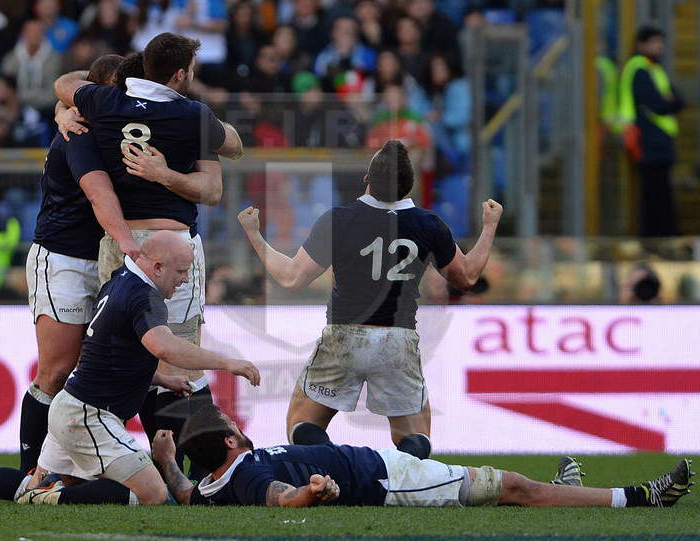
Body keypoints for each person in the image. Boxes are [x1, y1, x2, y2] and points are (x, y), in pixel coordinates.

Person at [0, 55, 138, 503]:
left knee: (96, 368)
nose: (123, 100)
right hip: (62, 259)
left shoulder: (99, 124)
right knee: (57, 369)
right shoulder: (78, 132)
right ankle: (27, 469)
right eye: (116, 91)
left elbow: (69, 83)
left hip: (97, 259)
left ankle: (65, 466)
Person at [52, 32, 244, 475]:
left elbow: (64, 82)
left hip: (119, 246)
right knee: (182, 355)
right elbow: (216, 181)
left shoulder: (102, 102)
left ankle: (94, 466)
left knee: (123, 353)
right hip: (170, 245)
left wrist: (68, 107)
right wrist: (165, 174)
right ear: (180, 74)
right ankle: (203, 469)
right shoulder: (192, 114)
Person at [238, 140, 501, 456]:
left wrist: (254, 235)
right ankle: (399, 484)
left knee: (303, 424)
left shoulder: (340, 219)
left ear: (367, 179)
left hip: (344, 335)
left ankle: (340, 473)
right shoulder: (428, 223)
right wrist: (489, 226)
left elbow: (292, 277)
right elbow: (467, 276)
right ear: (409, 186)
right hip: (397, 338)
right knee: (414, 435)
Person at [17, 231, 260, 506]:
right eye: (181, 271)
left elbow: (112, 356)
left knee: (50, 483)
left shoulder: (119, 279)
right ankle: (46, 496)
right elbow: (165, 347)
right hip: (89, 416)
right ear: (157, 267)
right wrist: (229, 363)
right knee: (154, 495)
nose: (186, 279)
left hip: (72, 408)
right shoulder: (142, 295)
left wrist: (161, 380)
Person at [153, 404, 694, 509]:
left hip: (385, 470)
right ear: (229, 443)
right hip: (389, 481)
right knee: (511, 488)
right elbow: (276, 499)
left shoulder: (208, 485)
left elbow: (183, 492)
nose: (237, 426)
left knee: (508, 489)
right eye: (230, 425)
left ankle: (570, 484)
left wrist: (166, 458)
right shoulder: (249, 474)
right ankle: (640, 496)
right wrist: (309, 494)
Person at [619, 25, 684, 237]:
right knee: (652, 196)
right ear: (642, 44)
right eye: (655, 42)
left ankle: (663, 237)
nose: (660, 47)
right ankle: (655, 239)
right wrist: (668, 101)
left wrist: (670, 101)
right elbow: (660, 104)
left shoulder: (655, 69)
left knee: (662, 194)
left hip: (661, 143)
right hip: (647, 142)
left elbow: (678, 100)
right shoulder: (638, 69)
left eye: (661, 42)